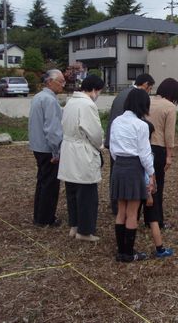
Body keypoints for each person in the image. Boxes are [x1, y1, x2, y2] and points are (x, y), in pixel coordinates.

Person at [110, 89, 156, 262]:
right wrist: (151, 174)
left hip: (118, 166)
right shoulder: (141, 125)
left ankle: (121, 251)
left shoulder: (116, 121)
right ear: (143, 105)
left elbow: (113, 149)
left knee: (121, 211)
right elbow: (145, 154)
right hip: (134, 167)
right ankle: (129, 253)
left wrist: (120, 162)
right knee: (132, 212)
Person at [58, 75, 105, 242]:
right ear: (93, 89)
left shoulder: (71, 102)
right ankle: (84, 231)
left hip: (69, 149)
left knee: (72, 190)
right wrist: (100, 145)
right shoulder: (87, 104)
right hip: (82, 151)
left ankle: (75, 226)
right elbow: (95, 132)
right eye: (99, 91)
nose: (98, 94)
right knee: (87, 194)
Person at [105, 73, 155, 215]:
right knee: (132, 180)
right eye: (150, 89)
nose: (149, 93)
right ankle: (127, 206)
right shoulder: (134, 96)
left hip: (115, 142)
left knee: (116, 175)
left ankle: (117, 205)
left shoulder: (121, 94)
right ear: (145, 85)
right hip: (129, 146)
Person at [28, 69, 65, 227]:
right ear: (50, 82)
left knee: (42, 182)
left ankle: (39, 215)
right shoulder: (49, 100)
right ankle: (46, 218)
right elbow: (52, 129)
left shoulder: (38, 97)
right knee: (50, 185)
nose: (63, 85)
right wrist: (56, 151)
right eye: (60, 81)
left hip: (37, 146)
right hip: (48, 148)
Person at [145, 77, 178, 230]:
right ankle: (156, 220)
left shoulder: (147, 101)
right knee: (157, 185)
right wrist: (169, 155)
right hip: (158, 149)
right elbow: (169, 134)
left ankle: (145, 218)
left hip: (143, 147)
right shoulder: (170, 107)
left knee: (145, 184)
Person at [142, 119, 173, 258]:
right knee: (153, 219)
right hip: (147, 190)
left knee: (130, 215)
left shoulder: (134, 150)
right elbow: (149, 174)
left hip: (134, 188)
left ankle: (125, 246)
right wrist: (149, 194)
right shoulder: (148, 153)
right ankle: (160, 249)